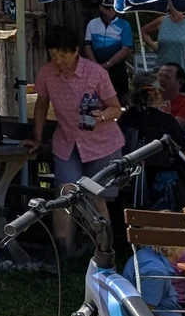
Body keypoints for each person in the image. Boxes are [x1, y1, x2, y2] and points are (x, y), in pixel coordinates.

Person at [32, 23, 125, 254]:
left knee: (95, 196)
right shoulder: (46, 73)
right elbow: (41, 104)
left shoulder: (95, 73)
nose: (58, 60)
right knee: (65, 194)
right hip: (67, 142)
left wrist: (101, 116)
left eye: (63, 54)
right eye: (53, 55)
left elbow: (116, 108)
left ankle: (103, 250)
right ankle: (62, 251)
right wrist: (37, 138)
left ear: (75, 51)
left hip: (102, 144)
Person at [85, 0, 137, 98]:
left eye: (114, 8)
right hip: (96, 65)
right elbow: (87, 45)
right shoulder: (92, 23)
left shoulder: (124, 25)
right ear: (101, 8)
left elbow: (126, 48)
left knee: (119, 97)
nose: (111, 11)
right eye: (108, 8)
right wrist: (96, 65)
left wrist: (108, 64)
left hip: (117, 67)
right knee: (97, 96)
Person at [156, 62, 185, 126]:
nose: (161, 80)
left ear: (179, 83)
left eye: (167, 77)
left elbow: (174, 126)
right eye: (159, 76)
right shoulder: (149, 101)